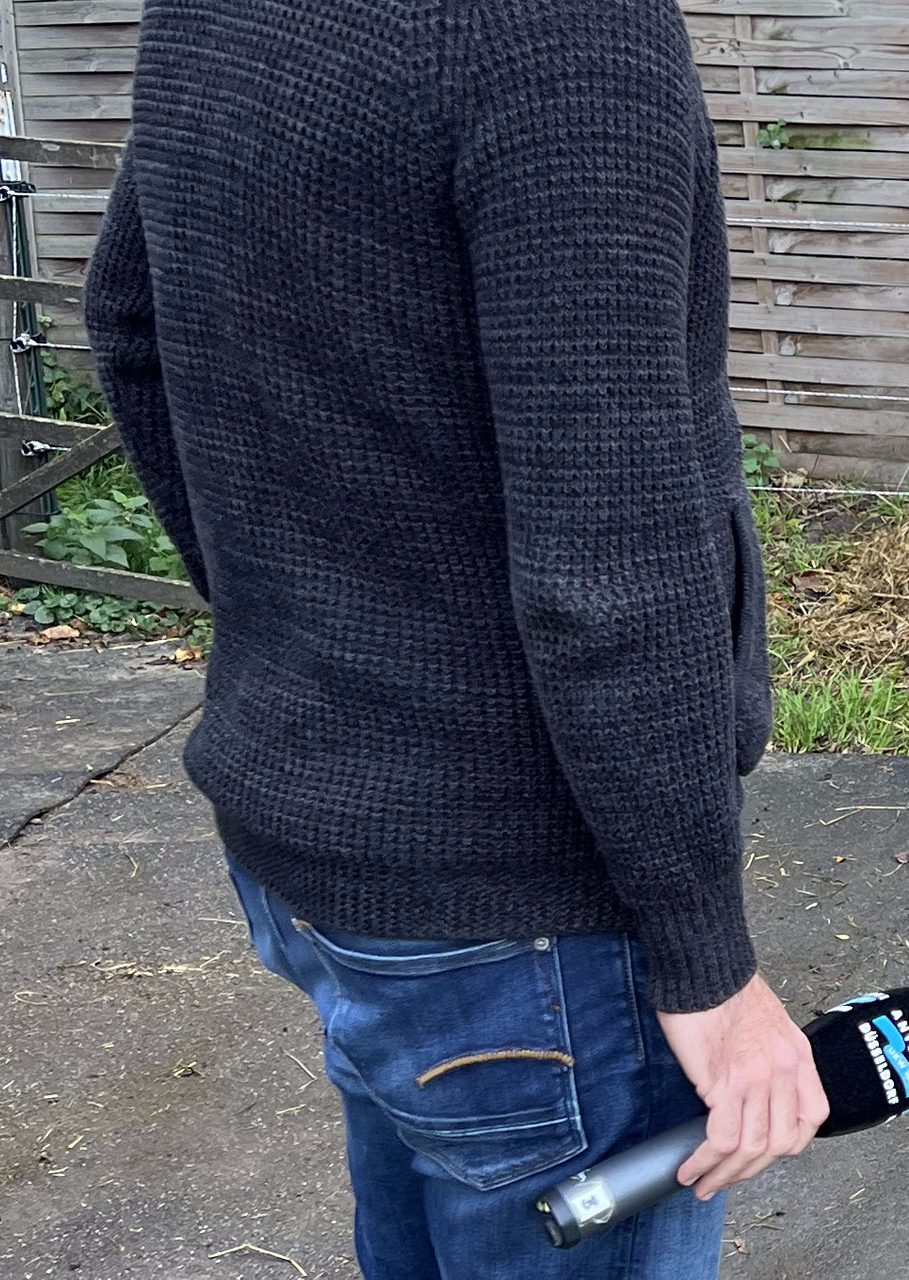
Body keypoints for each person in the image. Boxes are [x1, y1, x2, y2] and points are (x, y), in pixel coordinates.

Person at [84, 2, 826, 1274]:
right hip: (524, 915)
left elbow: (126, 321)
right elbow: (609, 567)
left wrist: (310, 636)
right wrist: (710, 969)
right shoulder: (563, 35)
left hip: (322, 850)